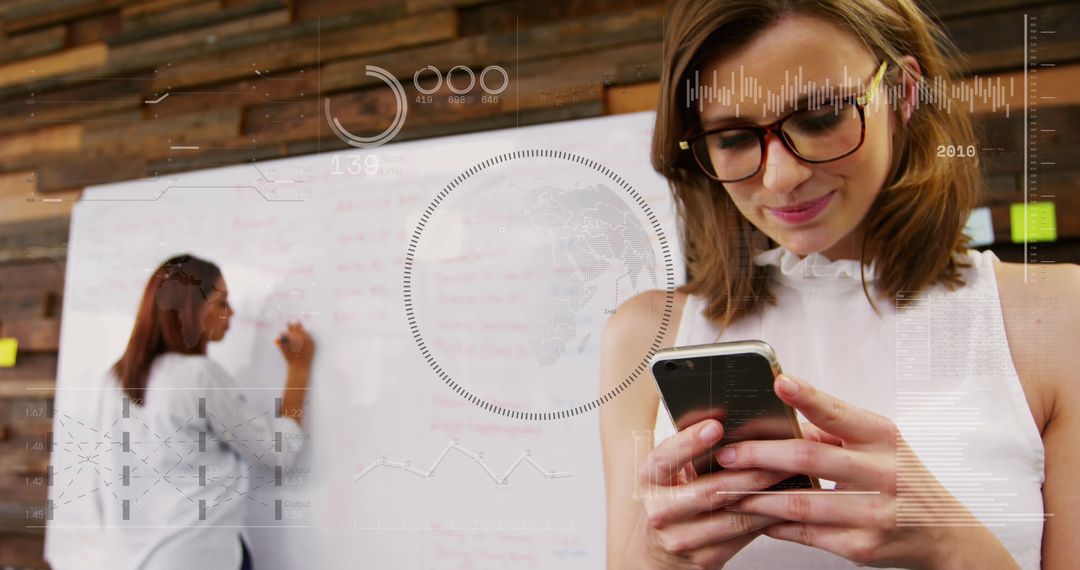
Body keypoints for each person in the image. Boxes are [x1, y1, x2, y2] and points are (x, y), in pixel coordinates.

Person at [600, 1, 1078, 569]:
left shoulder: (1057, 314)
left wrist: (949, 545)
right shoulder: (644, 335)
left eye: (822, 116)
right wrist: (658, 558)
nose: (781, 177)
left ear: (903, 93)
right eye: (732, 138)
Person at [95, 254, 315, 570]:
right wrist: (299, 371)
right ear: (191, 307)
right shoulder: (198, 376)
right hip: (194, 556)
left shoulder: (113, 380)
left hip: (130, 560)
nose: (232, 313)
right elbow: (278, 453)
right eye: (222, 303)